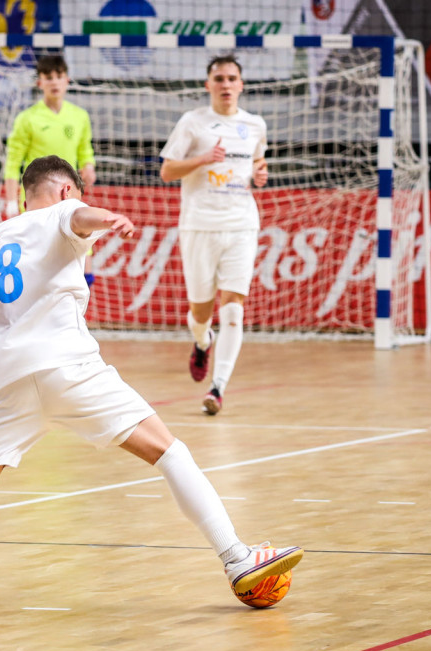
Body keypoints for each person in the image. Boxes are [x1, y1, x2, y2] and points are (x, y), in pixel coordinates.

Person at [0, 156, 302, 614]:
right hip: (69, 367)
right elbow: (81, 217)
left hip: (7, 381)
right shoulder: (64, 212)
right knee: (170, 453)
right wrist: (111, 218)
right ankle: (237, 559)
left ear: (24, 194)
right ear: (64, 190)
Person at [159, 55, 269, 416]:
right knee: (201, 312)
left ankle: (217, 388)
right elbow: (167, 170)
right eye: (219, 78)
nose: (225, 84)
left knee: (234, 306)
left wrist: (259, 173)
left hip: (241, 224)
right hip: (199, 225)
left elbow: (256, 163)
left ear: (241, 84)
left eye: (231, 78)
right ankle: (202, 342)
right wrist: (203, 159)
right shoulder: (193, 123)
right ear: (208, 85)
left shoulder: (254, 125)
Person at [4, 53, 97, 286]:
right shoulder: (27, 119)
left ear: (67, 80)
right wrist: (10, 202)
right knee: (37, 263)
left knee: (83, 259)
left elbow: (85, 149)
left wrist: (89, 165)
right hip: (38, 200)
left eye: (59, 76)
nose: (54, 82)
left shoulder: (79, 116)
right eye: (48, 77)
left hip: (70, 196)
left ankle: (76, 318)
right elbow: (13, 163)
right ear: (40, 83)